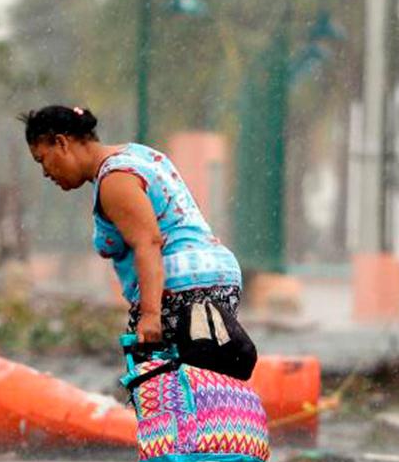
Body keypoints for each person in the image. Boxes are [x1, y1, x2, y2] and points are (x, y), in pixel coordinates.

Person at [21, 104, 257, 379]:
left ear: (61, 143)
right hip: (219, 274)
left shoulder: (114, 180)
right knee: (207, 386)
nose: (45, 173)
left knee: (163, 392)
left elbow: (149, 242)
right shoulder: (139, 154)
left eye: (42, 159)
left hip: (177, 287)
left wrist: (150, 315)